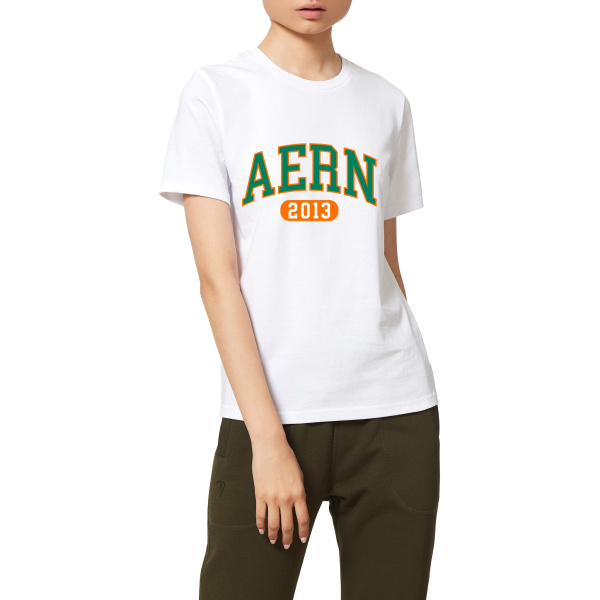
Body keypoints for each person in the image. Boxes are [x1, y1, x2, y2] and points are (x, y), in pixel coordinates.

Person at [159, 1, 440, 598]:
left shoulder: (387, 102)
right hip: (270, 414)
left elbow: (386, 262)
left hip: (394, 414)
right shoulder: (216, 93)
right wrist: (267, 441)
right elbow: (217, 280)